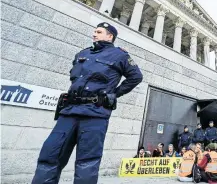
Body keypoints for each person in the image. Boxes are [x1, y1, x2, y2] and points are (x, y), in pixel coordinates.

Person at [32, 22, 143, 184]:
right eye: (94, 31)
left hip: (95, 113)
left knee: (87, 163)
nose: (94, 34)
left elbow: (136, 77)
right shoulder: (83, 53)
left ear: (110, 36)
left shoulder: (120, 55)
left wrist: (114, 94)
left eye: (98, 32)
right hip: (68, 112)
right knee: (49, 155)